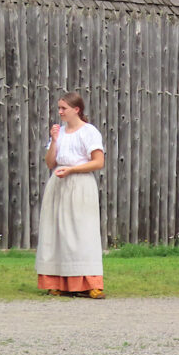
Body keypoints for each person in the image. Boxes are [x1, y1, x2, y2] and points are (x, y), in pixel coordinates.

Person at [35, 92, 106, 299]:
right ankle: (57, 281)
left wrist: (73, 170)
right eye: (59, 108)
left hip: (80, 183)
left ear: (77, 109)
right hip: (58, 183)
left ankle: (91, 283)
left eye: (64, 108)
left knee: (82, 232)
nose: (60, 112)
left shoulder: (89, 132)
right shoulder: (61, 133)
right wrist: (55, 141)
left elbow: (98, 162)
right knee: (56, 232)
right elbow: (50, 163)